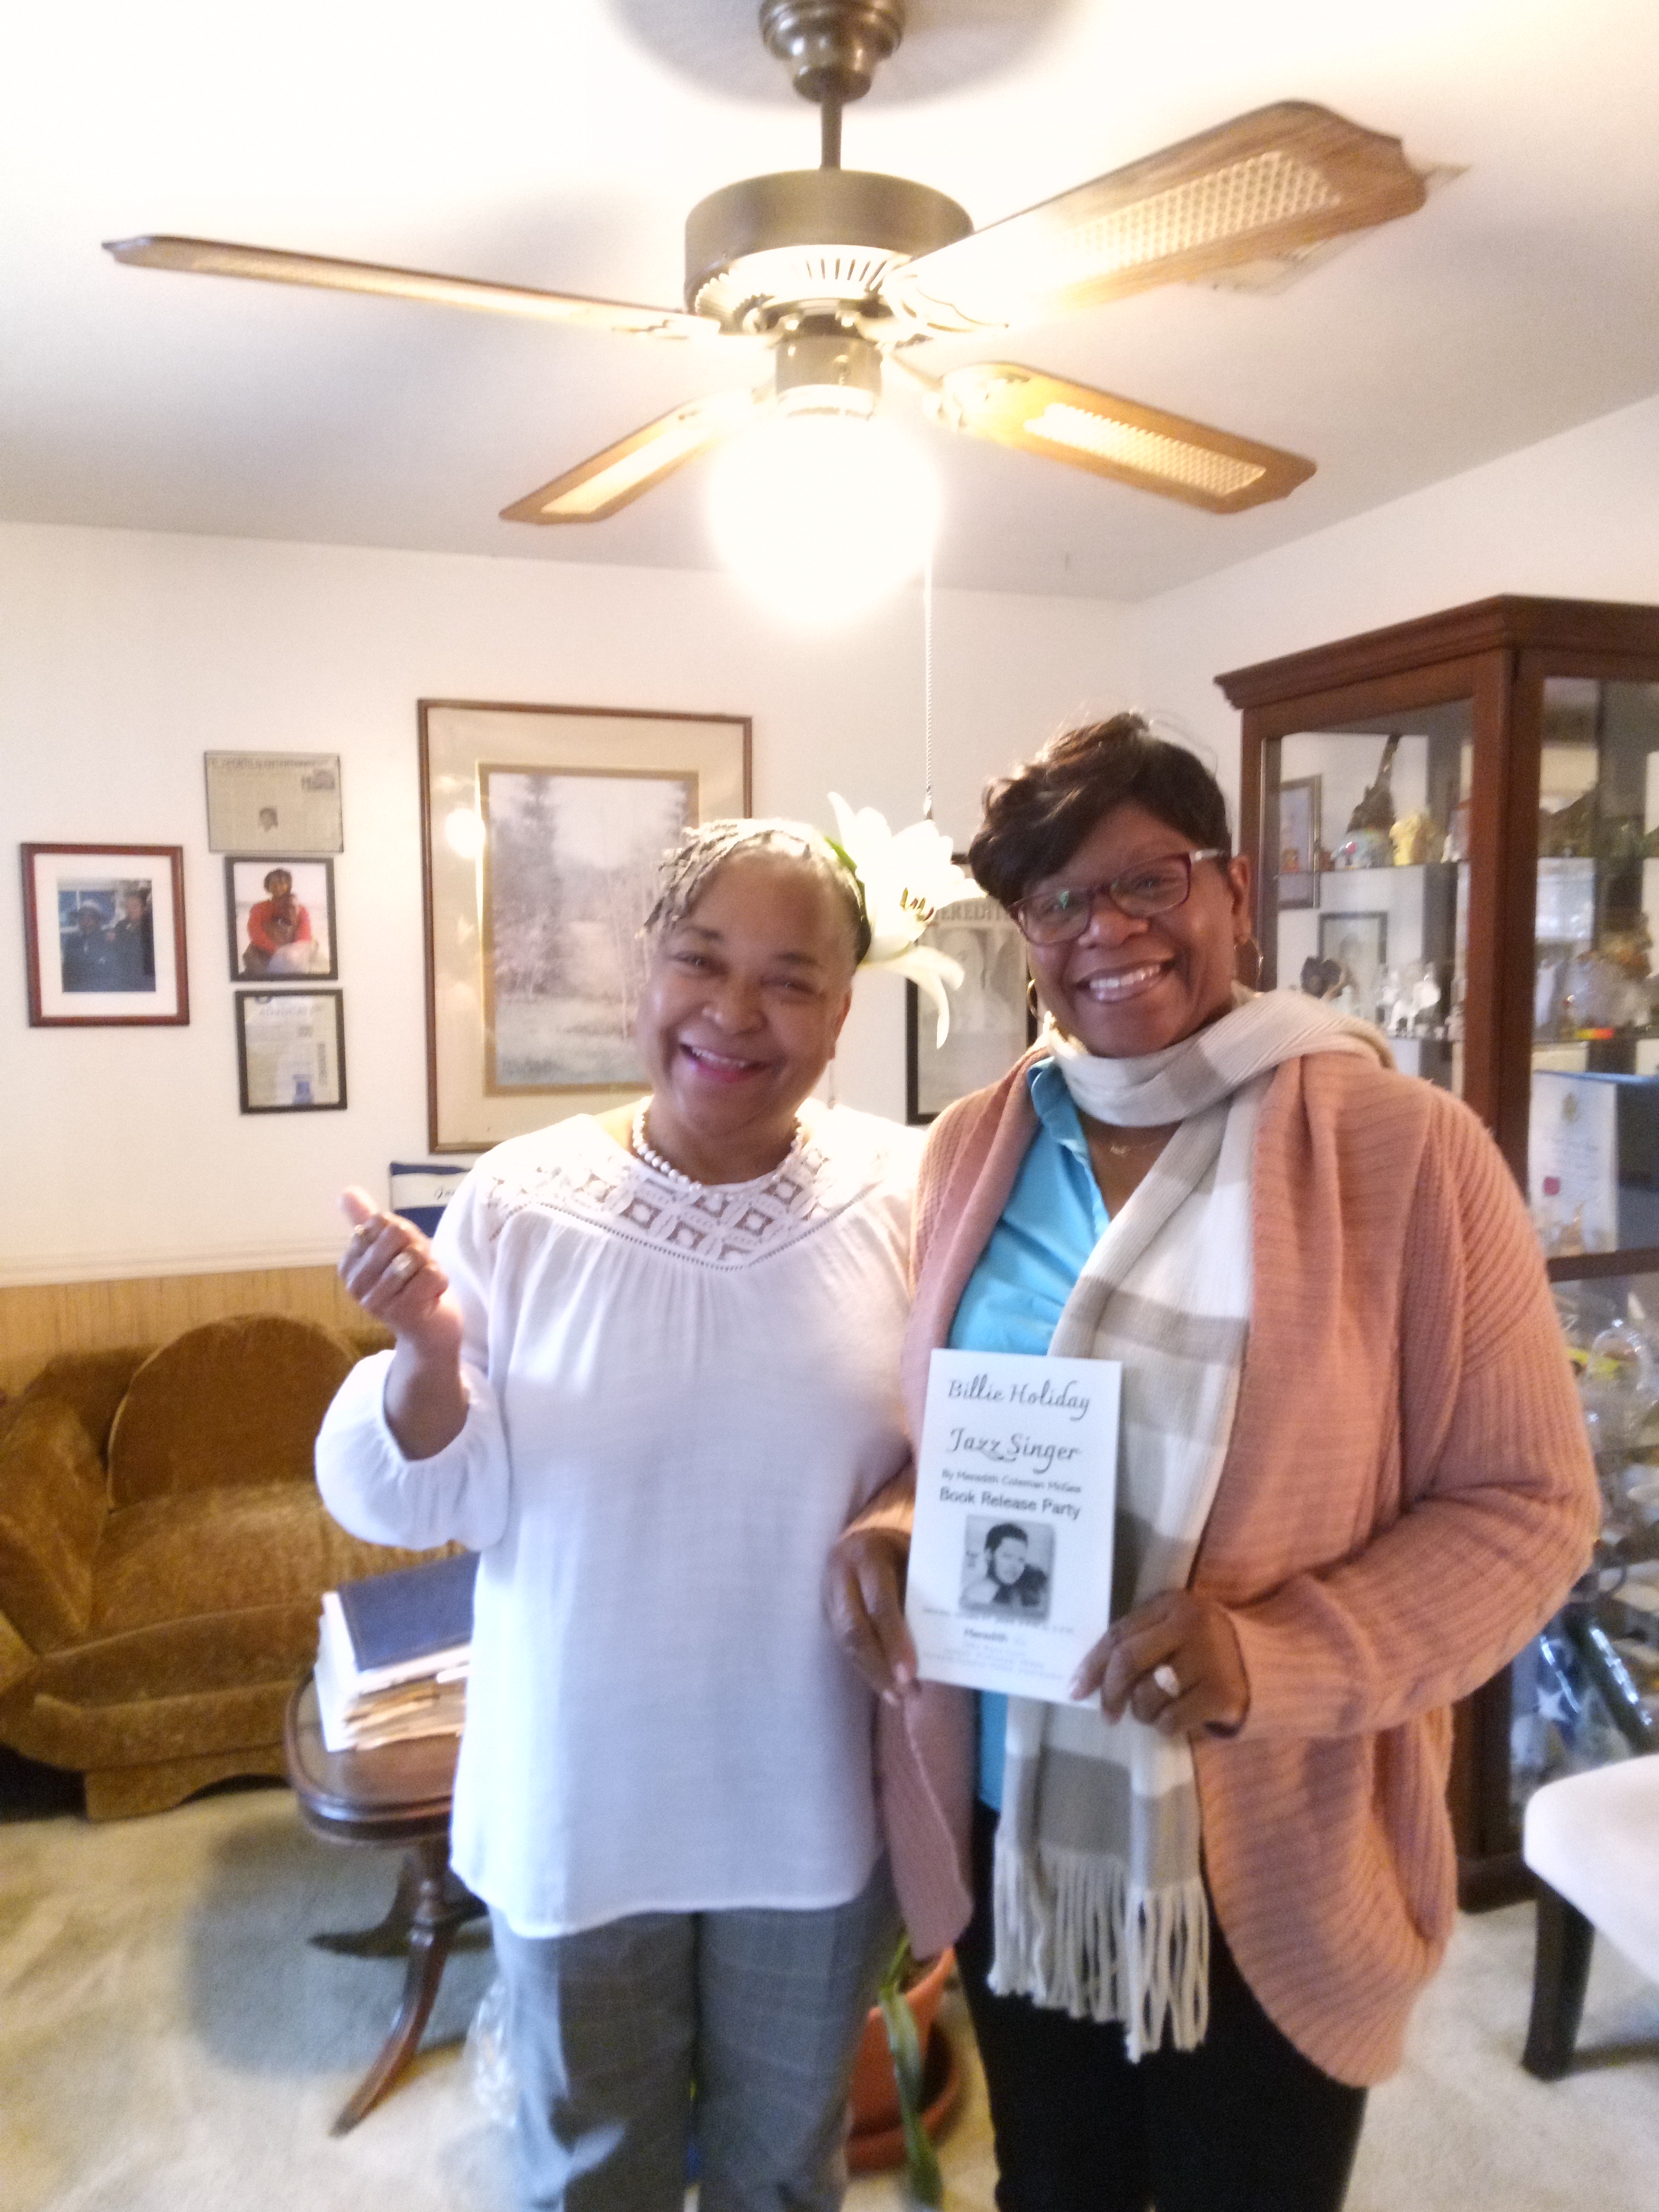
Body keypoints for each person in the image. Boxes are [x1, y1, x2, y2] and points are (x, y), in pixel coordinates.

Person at [825, 715, 1598, 2212]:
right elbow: (963, 1434)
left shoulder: (1408, 1151)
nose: (1105, 929)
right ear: (1024, 936)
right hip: (1011, 1815)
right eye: (1057, 900)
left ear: (1234, 891)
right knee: (1052, 2188)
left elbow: (1528, 1509)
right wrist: (899, 1526)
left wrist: (1270, 1653)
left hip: (1272, 1834)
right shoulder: (979, 1143)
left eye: (1147, 880)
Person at [316, 820, 918, 2212]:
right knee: (591, 2173)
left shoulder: (907, 1190)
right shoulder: (522, 1200)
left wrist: (899, 1512)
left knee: (786, 2172)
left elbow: (969, 1436)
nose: (735, 1013)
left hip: (811, 1796)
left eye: (790, 979)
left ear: (841, 1012)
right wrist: (426, 1351)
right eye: (701, 962)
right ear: (642, 973)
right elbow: (433, 1492)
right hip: (580, 1795)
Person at [962, 1523, 1049, 1614]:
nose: (1014, 1566)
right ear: (989, 1555)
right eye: (1007, 1556)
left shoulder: (1018, 1598)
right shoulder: (972, 1598)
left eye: (1021, 1560)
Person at [241, 867, 314, 976]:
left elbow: (305, 931)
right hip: (262, 951)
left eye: (282, 883)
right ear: (268, 886)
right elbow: (254, 932)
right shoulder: (259, 908)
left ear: (288, 885)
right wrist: (275, 949)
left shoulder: (300, 909)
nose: (278, 887)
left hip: (292, 951)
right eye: (273, 883)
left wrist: (294, 951)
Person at [60, 901, 118, 991]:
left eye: (90, 918)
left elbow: (114, 975)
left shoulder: (108, 942)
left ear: (98, 921)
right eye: (82, 918)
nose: (86, 922)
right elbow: (66, 974)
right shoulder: (72, 943)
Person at [108, 885, 156, 990]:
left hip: (147, 979)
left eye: (135, 906)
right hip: (125, 979)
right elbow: (116, 953)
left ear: (145, 908)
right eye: (128, 907)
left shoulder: (153, 926)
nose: (130, 910)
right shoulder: (121, 926)